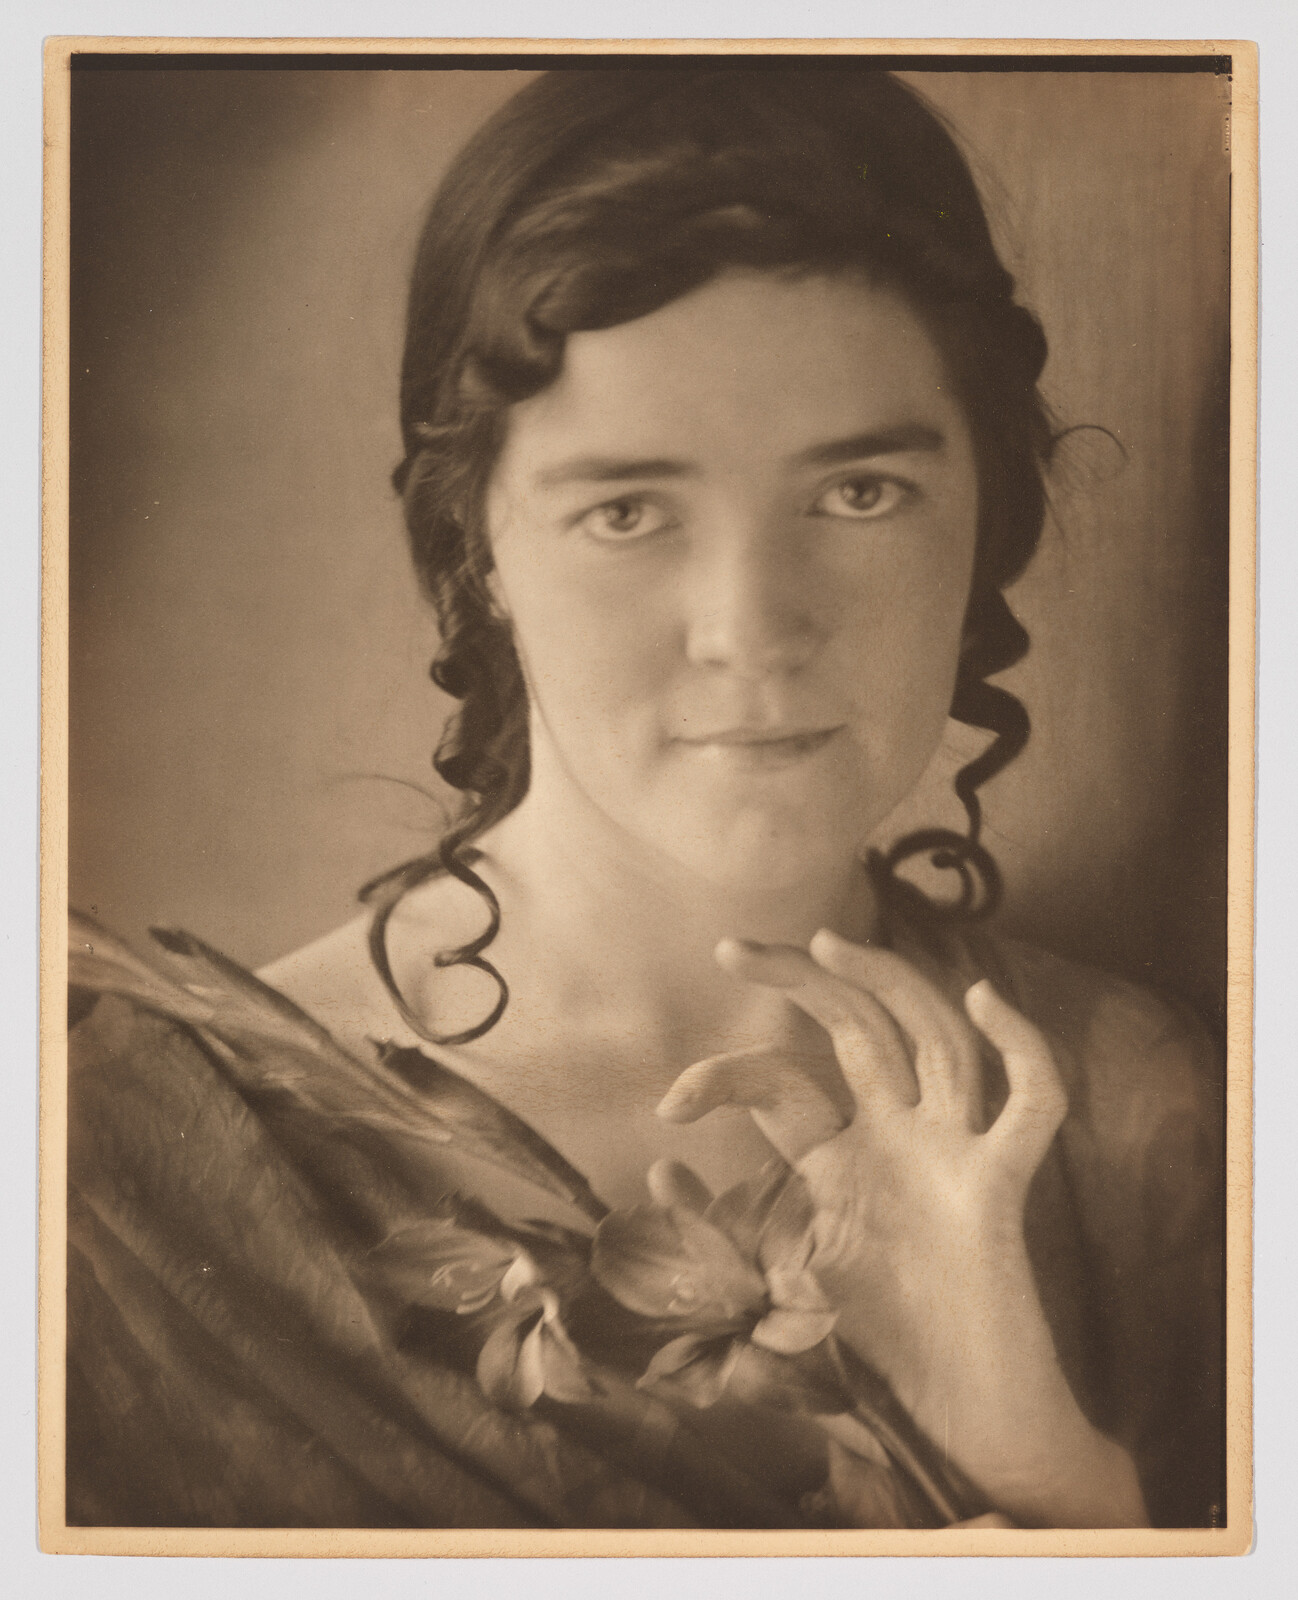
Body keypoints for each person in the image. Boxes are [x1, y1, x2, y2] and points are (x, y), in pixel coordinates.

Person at [66, 67, 1224, 1532]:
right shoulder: (109, 1178)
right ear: (475, 554)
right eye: (626, 510)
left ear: (982, 514)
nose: (750, 625)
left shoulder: (1130, 1111)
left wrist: (1052, 1480)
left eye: (858, 492)